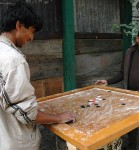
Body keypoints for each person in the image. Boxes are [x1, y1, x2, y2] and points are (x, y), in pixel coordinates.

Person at [0, 2, 76, 150]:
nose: (32, 38)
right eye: (31, 31)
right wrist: (59, 118)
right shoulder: (14, 60)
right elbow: (26, 112)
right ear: (19, 26)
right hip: (17, 142)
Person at [95, 27, 139, 150]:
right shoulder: (130, 52)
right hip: (130, 97)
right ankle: (132, 147)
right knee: (132, 127)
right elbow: (122, 73)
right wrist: (107, 81)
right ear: (138, 38)